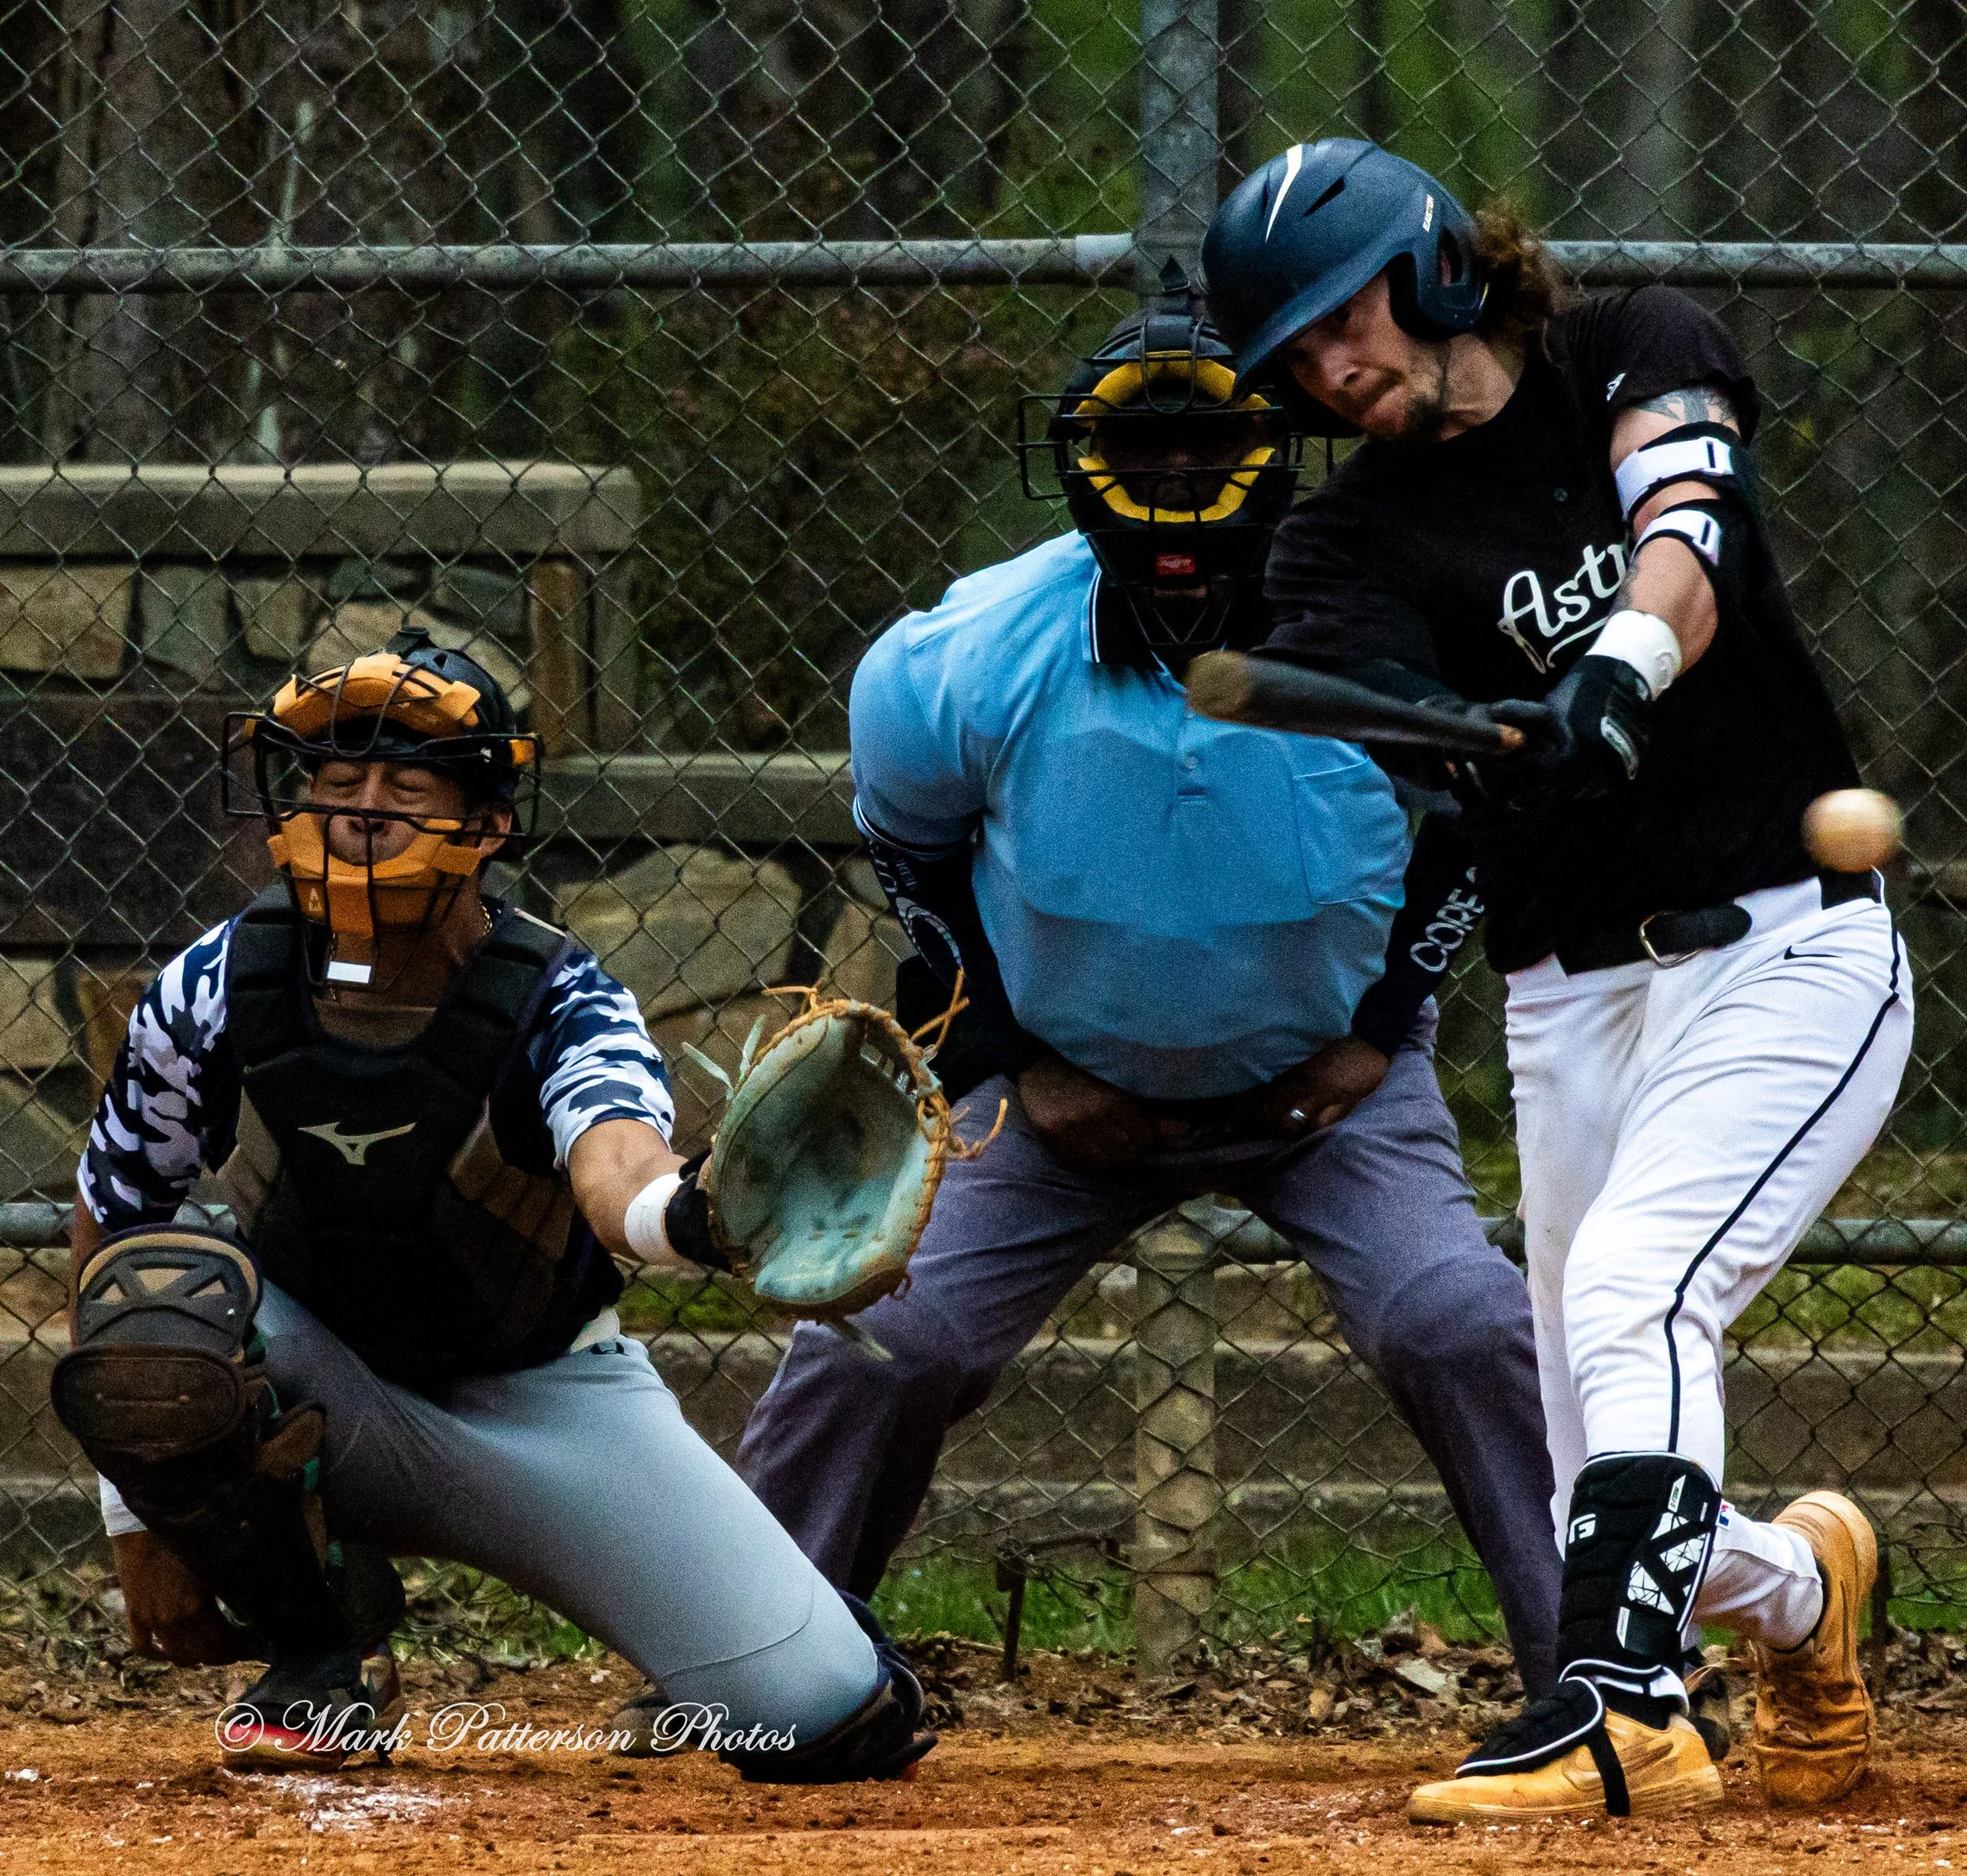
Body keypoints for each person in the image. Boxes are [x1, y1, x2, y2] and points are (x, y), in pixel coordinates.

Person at [1201, 140, 1913, 1821]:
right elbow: (1354, 692)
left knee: (1634, 1293)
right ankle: (1805, 1593)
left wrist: (1614, 664)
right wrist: (1479, 748)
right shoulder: (1344, 537)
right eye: (1293, 353)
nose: (1327, 364)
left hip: (1785, 943)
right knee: (1596, 1452)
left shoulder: (1630, 348)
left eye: (1341, 314)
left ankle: (1618, 1713)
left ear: (1442, 265)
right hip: (1565, 997)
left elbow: (1686, 527)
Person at [728, 294, 1563, 1700]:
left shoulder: (1394, 625)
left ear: (1279, 453)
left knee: (1461, 1319)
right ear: (1077, 464)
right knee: (880, 1341)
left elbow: (1485, 822)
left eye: (1214, 450)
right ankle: (749, 1653)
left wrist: (1376, 1035)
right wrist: (1014, 1059)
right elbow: (912, 854)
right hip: (1052, 1093)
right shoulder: (965, 657)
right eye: (1144, 453)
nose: (1180, 488)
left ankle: (1600, 1668)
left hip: (1325, 1088)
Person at [56, 629, 933, 1780]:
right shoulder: (214, 981)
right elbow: (112, 1213)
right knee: (158, 1299)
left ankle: (809, 1642)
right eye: (333, 780)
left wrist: (692, 1216)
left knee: (812, 1715)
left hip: (544, 1396)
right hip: (324, 1379)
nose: (363, 808)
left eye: (407, 784)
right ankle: (321, 1647)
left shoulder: (562, 997)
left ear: (489, 823)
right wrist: (137, 1508)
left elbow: (616, 1165)